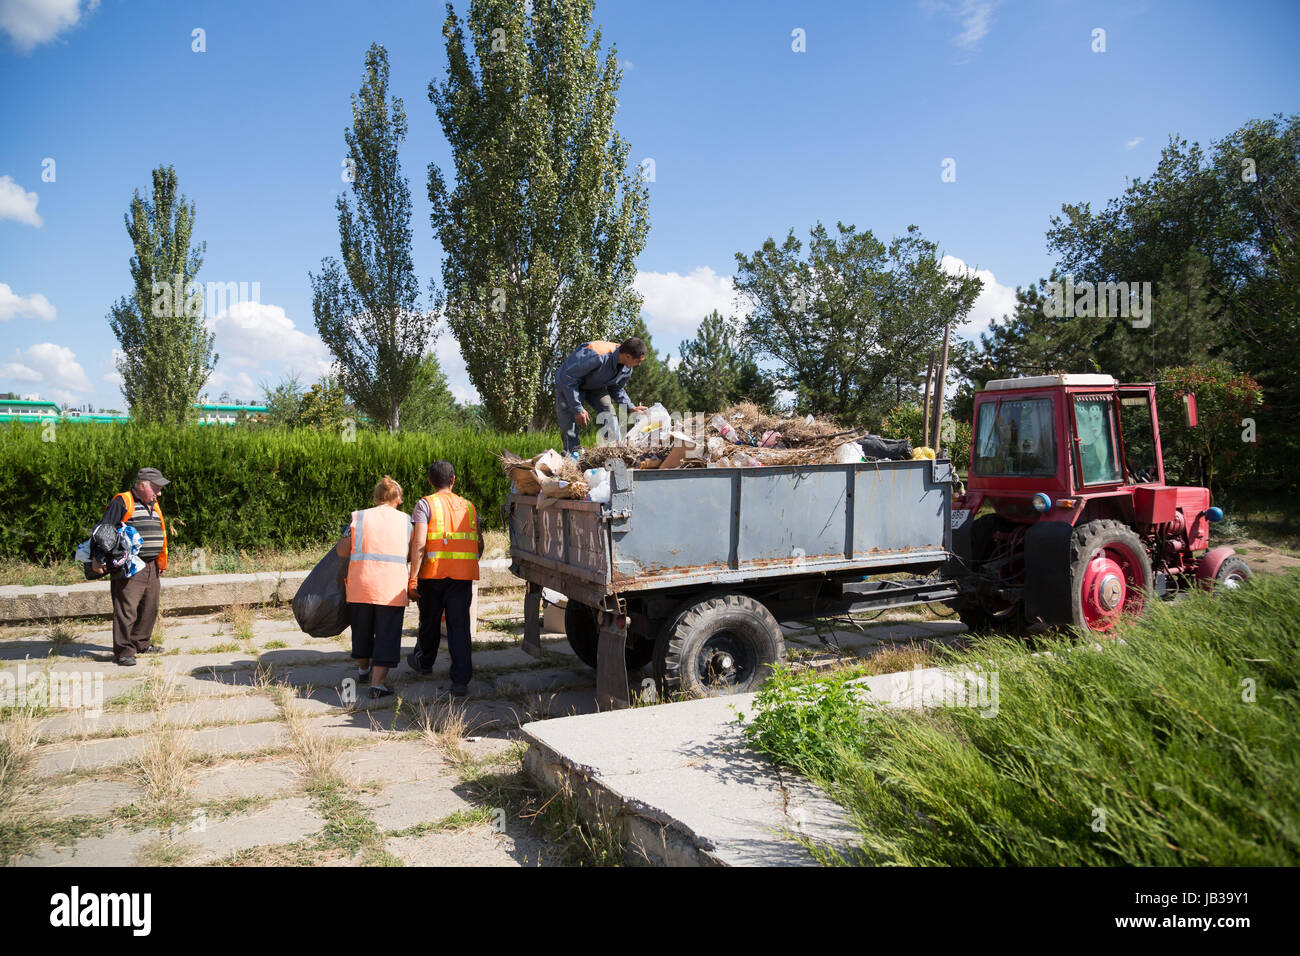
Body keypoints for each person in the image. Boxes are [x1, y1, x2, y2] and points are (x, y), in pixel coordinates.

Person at [406, 460, 483, 696]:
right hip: (462, 577)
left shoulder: (424, 504)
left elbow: (419, 543)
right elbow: (478, 543)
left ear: (430, 481)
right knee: (459, 627)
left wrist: (413, 579)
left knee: (429, 621)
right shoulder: (469, 506)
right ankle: (460, 681)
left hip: (433, 574)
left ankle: (425, 662)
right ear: (453, 480)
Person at [337, 475, 412, 699]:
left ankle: (363, 670)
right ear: (397, 498)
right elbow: (413, 552)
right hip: (391, 587)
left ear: (375, 497)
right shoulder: (407, 521)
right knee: (387, 635)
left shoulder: (358, 518)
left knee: (361, 631)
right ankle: (377, 685)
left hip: (361, 584)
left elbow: (342, 551)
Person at [96, 467, 171, 666]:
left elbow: (160, 533)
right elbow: (104, 531)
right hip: (130, 565)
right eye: (156, 488)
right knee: (126, 609)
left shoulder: (153, 504)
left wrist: (160, 561)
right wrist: (98, 559)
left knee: (150, 607)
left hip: (151, 565)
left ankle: (141, 643)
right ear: (142, 485)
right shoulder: (122, 501)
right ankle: (124, 651)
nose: (159, 493)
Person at [554, 337, 649, 454]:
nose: (638, 364)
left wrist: (630, 407)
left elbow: (617, 388)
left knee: (608, 411)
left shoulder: (627, 367)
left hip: (594, 385)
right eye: (638, 361)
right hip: (568, 383)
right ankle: (572, 453)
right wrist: (577, 408)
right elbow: (568, 377)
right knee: (568, 421)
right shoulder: (597, 354)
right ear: (628, 356)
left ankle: (612, 451)